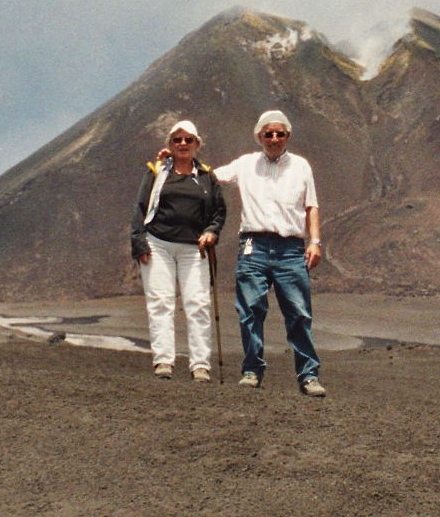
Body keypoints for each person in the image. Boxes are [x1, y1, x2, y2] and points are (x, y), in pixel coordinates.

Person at [214, 110, 325, 396]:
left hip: (290, 248)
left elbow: (311, 205)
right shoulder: (246, 164)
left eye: (280, 133)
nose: (274, 138)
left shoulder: (301, 167)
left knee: (299, 312)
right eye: (268, 134)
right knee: (250, 309)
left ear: (287, 136)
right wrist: (175, 161)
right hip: (254, 246)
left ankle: (308, 375)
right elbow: (210, 177)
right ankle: (252, 370)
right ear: (259, 137)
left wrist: (315, 241)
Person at [131, 119, 226, 381]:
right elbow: (140, 207)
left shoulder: (206, 176)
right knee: (161, 302)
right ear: (170, 145)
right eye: (177, 140)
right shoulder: (157, 171)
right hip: (158, 244)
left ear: (197, 144)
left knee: (197, 303)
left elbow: (219, 210)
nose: (183, 144)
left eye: (188, 140)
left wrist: (212, 231)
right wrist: (138, 241)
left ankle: (200, 365)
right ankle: (163, 361)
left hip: (195, 249)